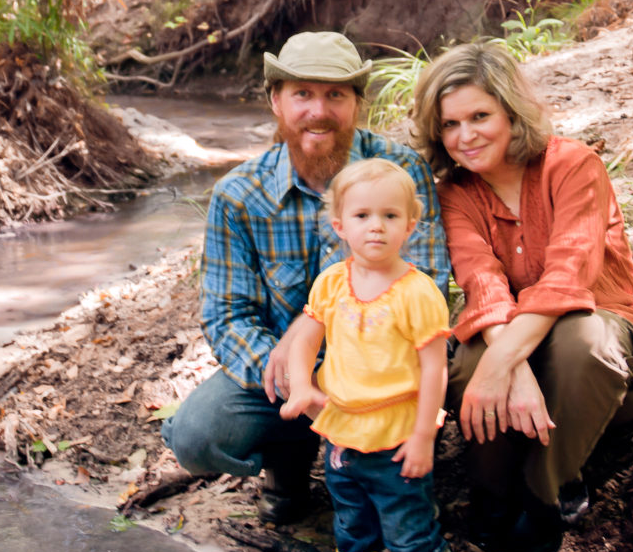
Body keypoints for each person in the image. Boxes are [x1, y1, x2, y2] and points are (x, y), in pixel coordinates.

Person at [409, 41, 633, 552]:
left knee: (581, 339)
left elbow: (567, 276)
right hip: (524, 345)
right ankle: (490, 492)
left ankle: (545, 493)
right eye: (449, 124)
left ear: (512, 111)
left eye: (480, 116)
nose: (465, 136)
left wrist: (504, 363)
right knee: (468, 360)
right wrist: (505, 365)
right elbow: (481, 281)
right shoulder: (454, 194)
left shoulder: (573, 164)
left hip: (615, 352)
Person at [161, 31, 451, 527]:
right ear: (276, 101)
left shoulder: (401, 170)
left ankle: (395, 477)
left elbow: (427, 285)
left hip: (382, 369)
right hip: (285, 376)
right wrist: (297, 379)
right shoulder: (238, 194)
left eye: (335, 95)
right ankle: (288, 461)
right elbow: (226, 316)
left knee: (444, 375)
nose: (319, 110)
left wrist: (354, 379)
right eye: (303, 94)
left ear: (357, 103)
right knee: (196, 436)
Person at [280, 158, 452, 552]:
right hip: (342, 435)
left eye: (390, 216)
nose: (376, 227)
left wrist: (422, 437)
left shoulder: (418, 293)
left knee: (410, 530)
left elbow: (435, 368)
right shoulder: (331, 283)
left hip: (398, 438)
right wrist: (301, 386)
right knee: (352, 524)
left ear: (410, 225)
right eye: (362, 216)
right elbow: (304, 339)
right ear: (340, 224)